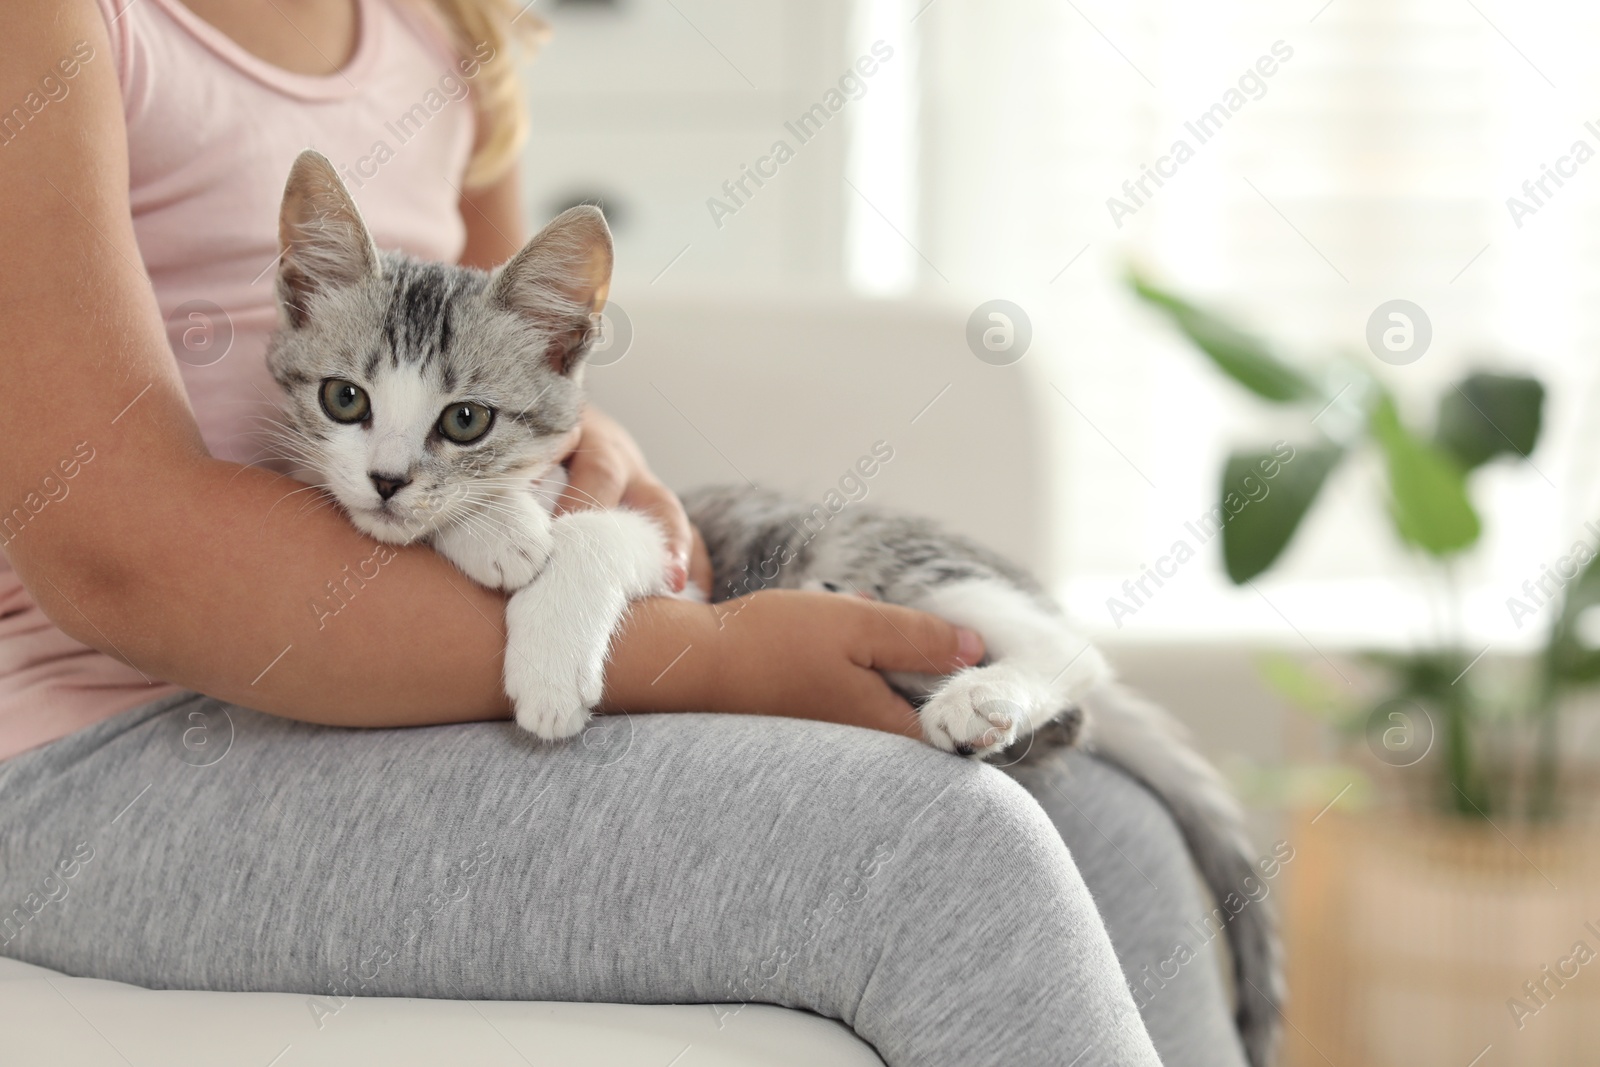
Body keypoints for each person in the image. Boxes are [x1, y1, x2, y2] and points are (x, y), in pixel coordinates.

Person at [0, 2, 1247, 1064]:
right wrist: (706, 658)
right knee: (938, 851)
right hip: (105, 749)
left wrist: (619, 480)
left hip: (435, 676)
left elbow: (535, 385)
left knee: (1115, 827)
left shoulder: (445, 25)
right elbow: (121, 556)